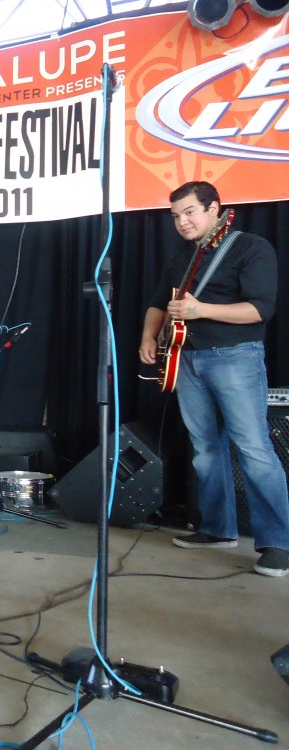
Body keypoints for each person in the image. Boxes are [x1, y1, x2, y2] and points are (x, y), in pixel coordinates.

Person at [139, 180, 289, 577]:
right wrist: (148, 336)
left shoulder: (250, 247)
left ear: (214, 209)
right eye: (175, 216)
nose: (182, 222)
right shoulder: (183, 256)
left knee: (253, 447)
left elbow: (260, 310)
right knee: (205, 448)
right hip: (186, 360)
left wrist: (201, 309)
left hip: (235, 357)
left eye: (189, 212)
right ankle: (215, 528)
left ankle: (278, 543)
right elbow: (160, 300)